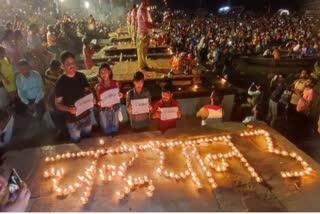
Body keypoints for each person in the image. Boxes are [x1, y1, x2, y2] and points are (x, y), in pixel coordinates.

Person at [55, 51, 95, 143]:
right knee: (77, 140)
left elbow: (88, 90)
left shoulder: (81, 76)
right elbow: (58, 104)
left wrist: (91, 97)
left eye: (73, 62)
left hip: (86, 115)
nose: (72, 65)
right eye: (68, 63)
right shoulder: (60, 82)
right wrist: (68, 109)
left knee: (88, 138)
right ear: (62, 66)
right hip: (72, 120)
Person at [95, 63, 123, 136]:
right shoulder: (98, 87)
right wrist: (99, 103)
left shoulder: (116, 83)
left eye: (105, 71)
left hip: (115, 108)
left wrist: (120, 95)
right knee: (106, 129)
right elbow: (99, 101)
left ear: (110, 71)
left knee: (115, 128)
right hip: (105, 110)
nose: (103, 74)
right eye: (101, 72)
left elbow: (118, 95)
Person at [136, 0, 155, 70]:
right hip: (142, 34)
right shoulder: (142, 10)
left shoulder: (144, 10)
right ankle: (143, 66)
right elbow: (147, 24)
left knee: (143, 51)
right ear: (144, 1)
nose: (149, 2)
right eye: (148, 1)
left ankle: (144, 65)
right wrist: (155, 26)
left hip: (143, 33)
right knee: (142, 51)